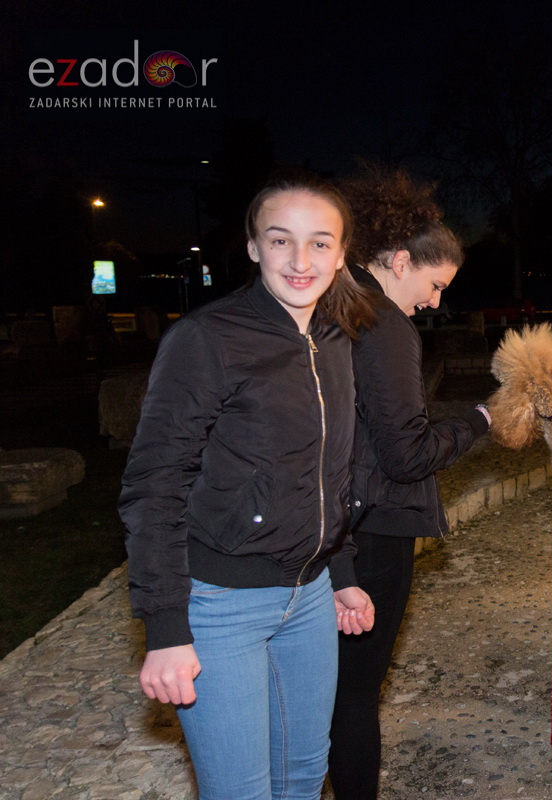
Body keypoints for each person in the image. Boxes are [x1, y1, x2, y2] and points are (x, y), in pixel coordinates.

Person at [120, 173, 378, 799]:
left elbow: (328, 466)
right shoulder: (207, 339)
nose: (300, 260)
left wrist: (339, 570)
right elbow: (154, 485)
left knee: (301, 778)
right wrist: (166, 628)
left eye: (320, 243)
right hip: (219, 604)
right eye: (280, 239)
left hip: (311, 597)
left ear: (342, 254)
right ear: (254, 246)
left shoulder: (335, 337)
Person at [329, 168, 491, 800]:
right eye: (434, 284)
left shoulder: (337, 303)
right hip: (376, 529)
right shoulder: (385, 323)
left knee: (326, 685)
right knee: (357, 692)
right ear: (400, 261)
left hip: (333, 525)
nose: (435, 303)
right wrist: (478, 420)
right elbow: (405, 453)